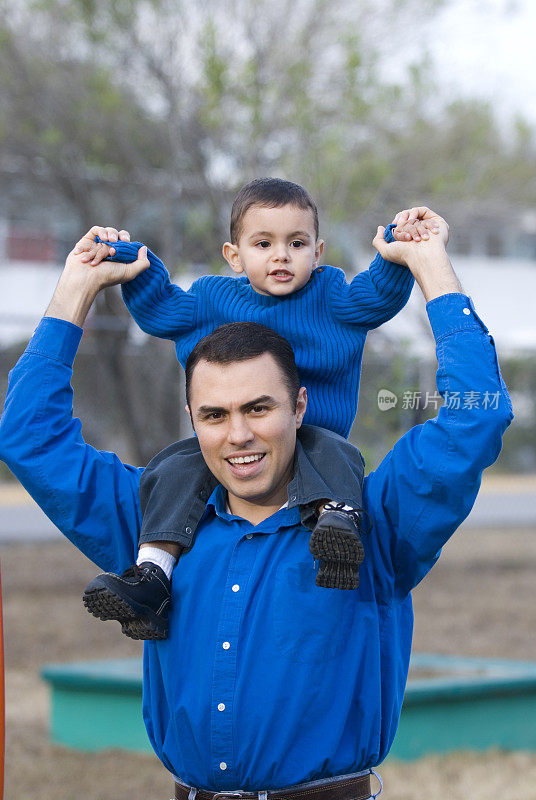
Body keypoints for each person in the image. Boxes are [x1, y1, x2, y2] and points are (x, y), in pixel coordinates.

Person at [0, 212, 512, 799]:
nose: (238, 434)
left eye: (259, 408)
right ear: (192, 420)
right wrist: (76, 287)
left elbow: (476, 418)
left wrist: (431, 270)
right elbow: (29, 439)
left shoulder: (374, 524)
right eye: (215, 415)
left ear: (299, 407)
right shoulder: (154, 524)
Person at [75, 177, 441, 640]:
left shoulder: (332, 296)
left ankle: (337, 528)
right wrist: (132, 260)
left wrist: (395, 245)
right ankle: (152, 573)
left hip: (312, 435)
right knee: (173, 467)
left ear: (318, 251)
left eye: (297, 243)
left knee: (334, 453)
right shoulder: (213, 298)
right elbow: (163, 311)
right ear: (235, 256)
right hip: (229, 442)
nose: (281, 255)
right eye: (263, 243)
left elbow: (377, 296)